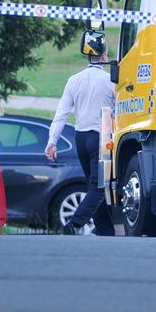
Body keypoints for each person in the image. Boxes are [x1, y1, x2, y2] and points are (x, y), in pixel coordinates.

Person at [45, 32, 116, 236]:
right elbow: (118, 110)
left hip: (80, 137)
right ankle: (74, 224)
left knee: (93, 186)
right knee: (98, 187)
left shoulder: (73, 80)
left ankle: (105, 230)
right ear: (104, 56)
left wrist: (52, 141)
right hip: (100, 138)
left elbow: (62, 113)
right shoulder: (110, 80)